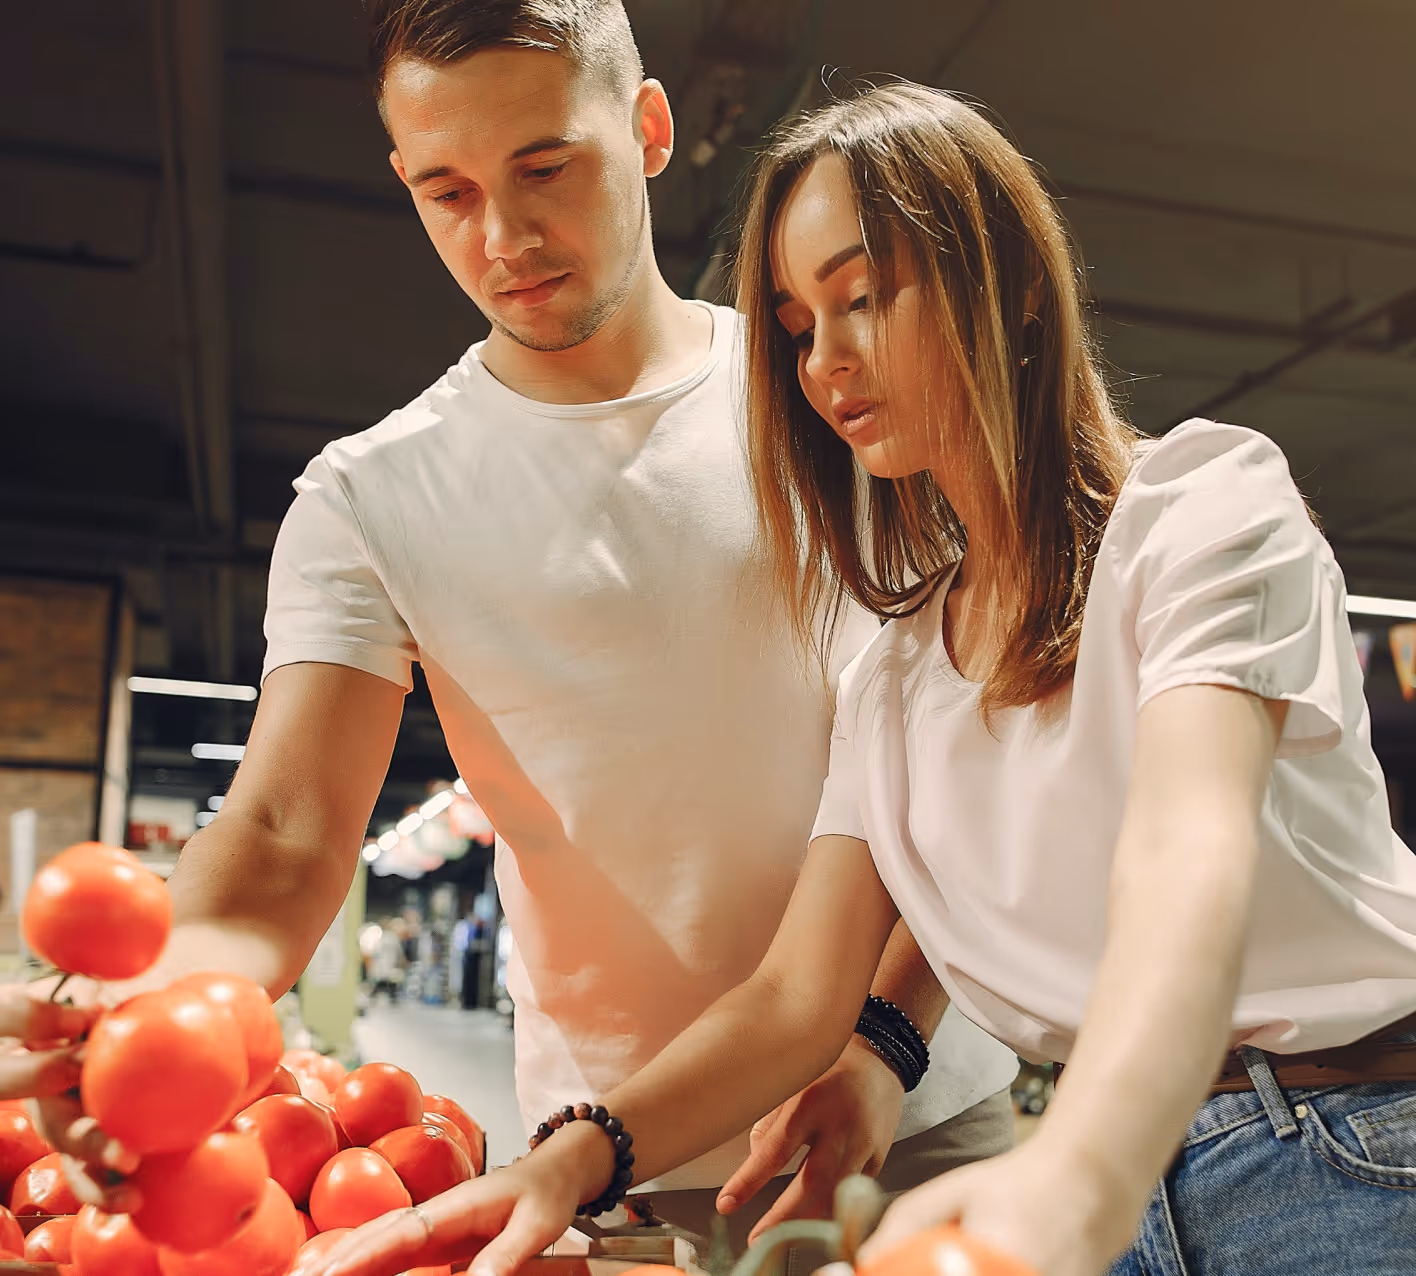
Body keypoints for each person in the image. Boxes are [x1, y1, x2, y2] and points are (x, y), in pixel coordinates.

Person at [307, 82, 1416, 1276]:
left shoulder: (1201, 508)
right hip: (1139, 1190)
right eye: (797, 325)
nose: (826, 362)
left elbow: (1187, 855)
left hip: (1346, 1144)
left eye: (865, 297)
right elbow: (796, 996)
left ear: (1014, 283)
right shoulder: (897, 674)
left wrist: (1076, 1174)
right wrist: (571, 1160)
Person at [36, 1, 1018, 1238]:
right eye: (446, 191)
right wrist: (144, 1014)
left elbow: (966, 749)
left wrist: (885, 1040)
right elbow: (285, 831)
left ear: (649, 129)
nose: (504, 237)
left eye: (546, 168)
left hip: (910, 1110)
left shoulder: (835, 396)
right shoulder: (370, 497)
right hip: (611, 1162)